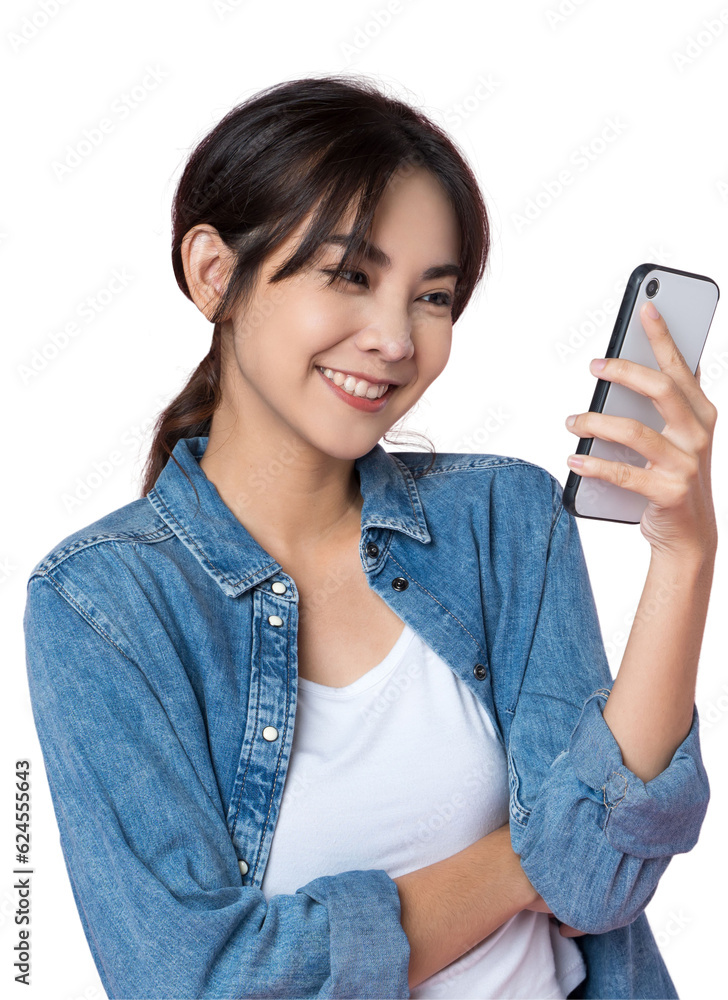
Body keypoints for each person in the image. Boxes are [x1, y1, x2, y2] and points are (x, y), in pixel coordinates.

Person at [23, 74, 716, 1000]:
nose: (395, 338)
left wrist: (686, 556)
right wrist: (517, 865)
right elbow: (198, 981)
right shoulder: (102, 604)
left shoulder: (502, 520)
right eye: (349, 275)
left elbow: (597, 875)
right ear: (213, 272)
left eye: (433, 298)